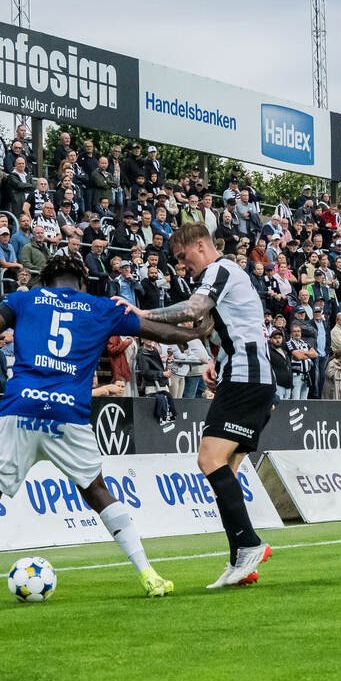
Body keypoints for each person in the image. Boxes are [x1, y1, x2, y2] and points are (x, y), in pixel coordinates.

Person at [0, 254, 209, 611]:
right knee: (97, 491)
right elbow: (160, 331)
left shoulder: (25, 298)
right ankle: (148, 574)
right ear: (83, 281)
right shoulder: (101, 307)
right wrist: (195, 333)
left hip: (20, 407)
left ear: (46, 280)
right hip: (68, 414)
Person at [129, 220, 277, 588]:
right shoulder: (225, 277)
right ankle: (240, 559)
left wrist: (142, 314)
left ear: (199, 246)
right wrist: (215, 359)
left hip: (247, 377)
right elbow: (203, 330)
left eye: (183, 258)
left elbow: (194, 310)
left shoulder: (220, 269)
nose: (184, 266)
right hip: (245, 376)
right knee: (226, 466)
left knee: (209, 459)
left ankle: (250, 545)